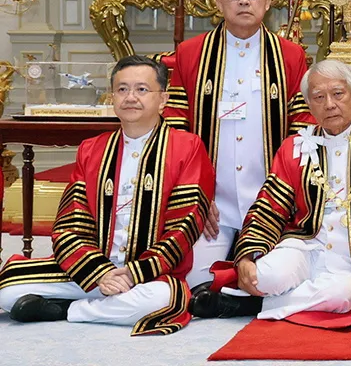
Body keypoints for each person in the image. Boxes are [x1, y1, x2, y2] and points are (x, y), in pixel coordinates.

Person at [0, 56, 214, 334]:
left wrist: (134, 273)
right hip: (95, 268)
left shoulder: (188, 147)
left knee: (161, 300)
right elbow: (68, 226)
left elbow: (185, 226)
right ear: (112, 97)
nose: (130, 98)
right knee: (6, 288)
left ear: (163, 99)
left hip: (149, 274)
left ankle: (67, 309)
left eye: (141, 89)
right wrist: (100, 272)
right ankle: (104, 299)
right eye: (122, 89)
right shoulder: (93, 149)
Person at [208, 60, 351, 325]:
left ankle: (248, 304)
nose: (329, 104)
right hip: (305, 249)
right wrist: (247, 256)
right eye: (319, 97)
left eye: (338, 93)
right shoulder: (296, 147)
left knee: (338, 297)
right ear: (309, 104)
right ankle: (277, 296)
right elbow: (269, 206)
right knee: (263, 277)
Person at [162, 0, 312, 317]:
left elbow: (302, 127)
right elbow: (176, 132)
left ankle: (237, 293)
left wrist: (287, 196)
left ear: (268, 1)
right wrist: (195, 195)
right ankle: (233, 289)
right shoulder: (191, 53)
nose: (244, 0)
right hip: (214, 201)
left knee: (280, 273)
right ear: (218, 2)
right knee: (190, 278)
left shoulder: (290, 55)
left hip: (271, 200)